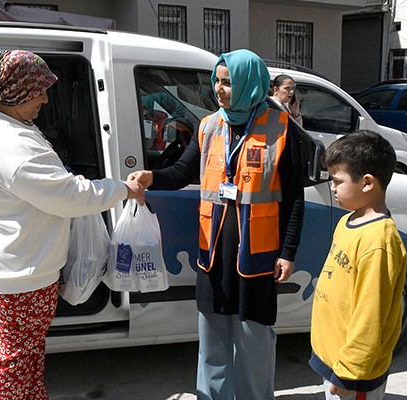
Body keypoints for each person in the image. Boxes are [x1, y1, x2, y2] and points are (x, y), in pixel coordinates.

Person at [0, 49, 144, 400]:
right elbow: (68, 197)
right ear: (15, 92)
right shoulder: (12, 144)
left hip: (18, 267)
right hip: (22, 274)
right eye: (38, 90)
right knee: (17, 359)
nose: (46, 99)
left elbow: (51, 186)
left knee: (25, 354)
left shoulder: (5, 125)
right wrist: (122, 188)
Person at [129, 49, 305, 399]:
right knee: (212, 345)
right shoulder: (209, 125)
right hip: (213, 255)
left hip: (257, 255)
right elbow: (182, 172)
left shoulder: (282, 129)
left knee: (254, 344)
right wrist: (152, 176)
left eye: (228, 82)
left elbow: (294, 198)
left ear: (249, 84)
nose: (220, 90)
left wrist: (287, 252)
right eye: (218, 82)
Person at [309, 130, 407, 400]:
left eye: (337, 181)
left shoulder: (379, 241)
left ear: (366, 183)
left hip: (352, 376)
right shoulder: (347, 221)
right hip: (333, 361)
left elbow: (370, 316)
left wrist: (349, 372)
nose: (332, 187)